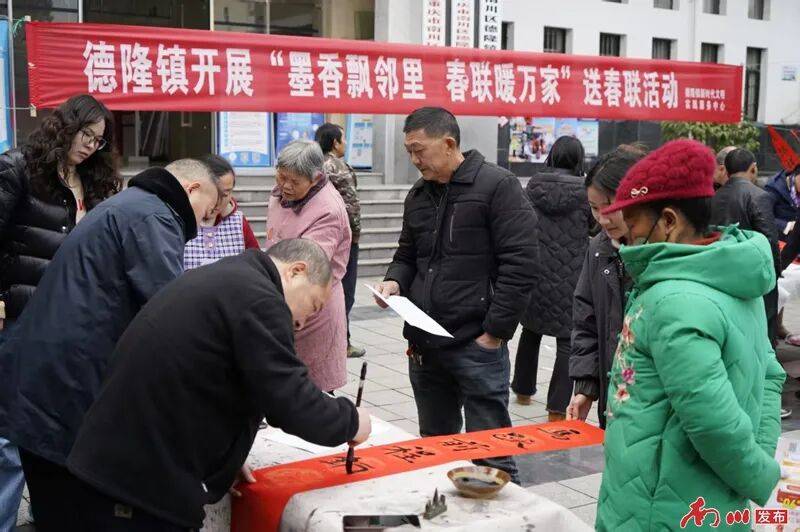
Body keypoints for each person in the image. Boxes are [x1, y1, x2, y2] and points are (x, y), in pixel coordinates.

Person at [64, 238, 372, 532]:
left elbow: (216, 376)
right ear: (296, 271)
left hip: (114, 466)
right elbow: (290, 401)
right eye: (314, 305)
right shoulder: (261, 298)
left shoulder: (231, 277)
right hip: (137, 489)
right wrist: (352, 421)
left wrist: (227, 458)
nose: (303, 322)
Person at [0, 159, 219, 532]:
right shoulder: (154, 215)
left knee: (54, 503)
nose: (203, 223)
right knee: (71, 512)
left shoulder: (130, 205)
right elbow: (169, 313)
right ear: (191, 189)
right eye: (207, 210)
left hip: (45, 380)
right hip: (66, 387)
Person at [596, 139, 784, 531]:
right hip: (703, 499)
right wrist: (758, 455)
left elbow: (714, 424)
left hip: (655, 507)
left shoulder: (673, 301)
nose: (625, 240)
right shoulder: (731, 274)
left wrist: (758, 473)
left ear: (668, 221)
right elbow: (769, 374)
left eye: (633, 227)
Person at [373, 107, 537, 482]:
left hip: (476, 344)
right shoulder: (418, 195)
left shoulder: (497, 186)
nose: (414, 160)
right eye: (408, 152)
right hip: (425, 345)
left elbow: (522, 263)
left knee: (491, 455)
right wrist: (393, 282)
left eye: (419, 150)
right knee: (435, 448)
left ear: (448, 144)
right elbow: (407, 255)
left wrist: (494, 333)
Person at [0, 93, 120, 530]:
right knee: (8, 431)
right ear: (64, 126)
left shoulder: (93, 181)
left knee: (53, 422)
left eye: (98, 140)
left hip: (69, 323)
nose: (90, 145)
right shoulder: (18, 168)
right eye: (85, 134)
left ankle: (46, 509)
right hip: (19, 313)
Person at [567, 145, 647, 429]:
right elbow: (586, 320)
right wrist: (586, 387)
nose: (602, 218)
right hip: (614, 403)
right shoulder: (599, 248)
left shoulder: (664, 254)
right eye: (594, 207)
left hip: (654, 409)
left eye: (611, 205)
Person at [513, 136, 591, 420]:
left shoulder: (534, 185)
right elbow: (594, 228)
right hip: (573, 275)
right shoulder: (585, 191)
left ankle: (522, 392)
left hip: (537, 271)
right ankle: (556, 409)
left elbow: (522, 222)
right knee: (567, 339)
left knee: (530, 330)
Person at [265, 139, 351, 393]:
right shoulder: (281, 192)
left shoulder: (328, 210)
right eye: (282, 177)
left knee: (310, 388)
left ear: (315, 179)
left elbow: (308, 268)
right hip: (280, 293)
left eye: (294, 181)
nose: (285, 186)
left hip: (310, 304)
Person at [709, 148, 781, 348]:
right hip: (753, 276)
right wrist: (775, 273)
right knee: (762, 333)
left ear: (726, 170)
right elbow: (769, 239)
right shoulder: (759, 196)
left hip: (720, 274)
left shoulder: (714, 197)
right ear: (754, 168)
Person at [315, 122, 366, 358]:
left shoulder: (315, 164)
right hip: (342, 239)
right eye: (343, 139)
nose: (345, 143)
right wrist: (355, 236)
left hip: (322, 236)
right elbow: (351, 205)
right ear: (335, 143)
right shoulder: (336, 166)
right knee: (345, 291)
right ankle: (341, 343)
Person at [183, 154, 260, 269]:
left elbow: (257, 265)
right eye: (213, 193)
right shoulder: (180, 222)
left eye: (225, 194)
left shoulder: (238, 222)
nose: (218, 202)